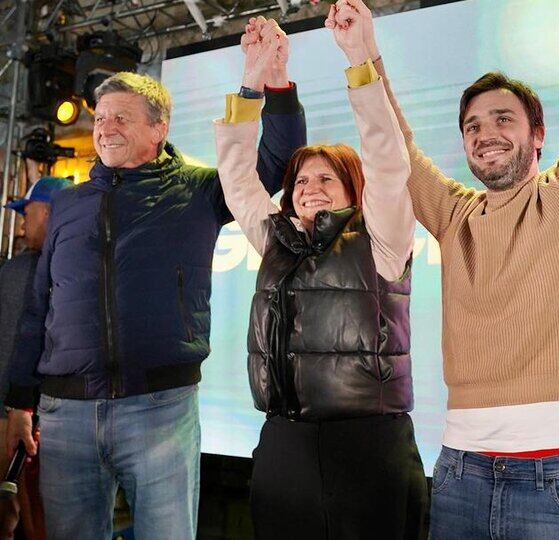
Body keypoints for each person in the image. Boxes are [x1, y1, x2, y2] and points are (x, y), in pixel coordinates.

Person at [329, 1, 559, 537]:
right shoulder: (456, 215)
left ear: (538, 134)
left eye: (503, 119)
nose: (485, 132)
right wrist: (362, 52)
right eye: (472, 126)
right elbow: (395, 147)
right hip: (461, 470)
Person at [3, 18, 306, 540]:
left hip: (160, 411)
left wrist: (273, 83)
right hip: (65, 415)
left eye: (121, 117)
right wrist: (18, 404)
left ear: (158, 128)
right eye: (100, 118)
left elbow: (277, 163)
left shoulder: (199, 189)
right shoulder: (69, 205)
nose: (105, 127)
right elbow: (38, 310)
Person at [214, 16, 425, 539]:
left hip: (369, 448)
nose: (310, 186)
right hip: (285, 445)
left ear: (354, 189)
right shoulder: (277, 240)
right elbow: (238, 178)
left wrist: (358, 59)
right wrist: (252, 79)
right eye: (301, 179)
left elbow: (387, 159)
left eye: (327, 177)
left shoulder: (382, 236)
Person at [0, 170, 71, 540]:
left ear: (47, 212)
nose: (23, 223)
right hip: (48, 417)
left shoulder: (20, 271)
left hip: (17, 419)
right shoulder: (78, 272)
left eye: (27, 213)